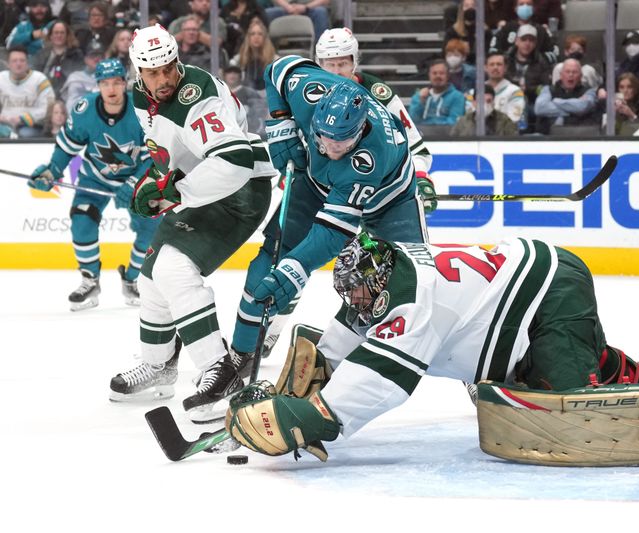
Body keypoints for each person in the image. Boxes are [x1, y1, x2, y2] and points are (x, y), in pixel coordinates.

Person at [223, 231, 639, 469]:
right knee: (562, 363)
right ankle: (604, 364)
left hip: (548, 291)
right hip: (533, 286)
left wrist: (306, 418)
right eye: (350, 293)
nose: (356, 302)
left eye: (361, 292)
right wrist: (314, 369)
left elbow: (372, 389)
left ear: (379, 279)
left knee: (570, 407)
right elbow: (339, 342)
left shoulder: (410, 303)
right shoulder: (384, 274)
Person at [107, 24, 275, 422]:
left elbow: (234, 162)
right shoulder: (139, 95)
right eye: (153, 72)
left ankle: (221, 373)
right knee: (150, 278)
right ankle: (160, 366)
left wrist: (173, 194)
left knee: (173, 269)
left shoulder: (196, 98)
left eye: (169, 67)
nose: (164, 78)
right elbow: (171, 150)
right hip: (201, 187)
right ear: (138, 72)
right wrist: (156, 181)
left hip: (240, 193)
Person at [229, 55, 429, 371]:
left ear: (361, 129)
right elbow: (276, 70)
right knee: (268, 261)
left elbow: (333, 231)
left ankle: (472, 373)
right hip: (316, 183)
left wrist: (296, 268)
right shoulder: (311, 90)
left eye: (342, 142)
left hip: (390, 201)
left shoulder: (368, 158)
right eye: (323, 137)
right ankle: (239, 357)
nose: (331, 148)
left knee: (414, 283)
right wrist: (281, 120)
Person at [27, 58, 156, 309]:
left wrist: (132, 184)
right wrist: (52, 171)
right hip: (95, 179)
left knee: (151, 228)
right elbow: (67, 147)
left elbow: (154, 157)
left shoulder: (142, 110)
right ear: (98, 85)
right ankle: (90, 280)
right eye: (105, 83)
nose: (111, 89)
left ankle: (132, 279)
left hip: (137, 180)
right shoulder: (84, 110)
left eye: (117, 82)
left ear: (124, 83)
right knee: (81, 221)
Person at [315, 27, 434, 208]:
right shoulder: (310, 93)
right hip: (327, 189)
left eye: (342, 64)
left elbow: (417, 148)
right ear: (319, 64)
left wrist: (421, 176)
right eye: (329, 64)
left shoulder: (378, 92)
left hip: (376, 189)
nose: (336, 72)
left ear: (354, 62)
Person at [0, 46, 55, 138]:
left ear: (27, 63)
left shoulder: (40, 79)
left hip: (31, 126)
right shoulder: (1, 78)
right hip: (4, 125)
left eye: (22, 60)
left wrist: (23, 119)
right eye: (14, 61)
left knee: (25, 134)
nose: (18, 64)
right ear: (8, 64)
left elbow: (48, 107)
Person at [534, 57, 598, 134]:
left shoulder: (589, 91)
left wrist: (556, 101)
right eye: (567, 72)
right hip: (547, 137)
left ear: (580, 76)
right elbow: (539, 108)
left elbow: (582, 107)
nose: (571, 75)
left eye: (574, 72)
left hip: (577, 136)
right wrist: (572, 110)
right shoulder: (548, 89)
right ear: (561, 75)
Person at [490, 0, 558, 63]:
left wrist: (538, 58)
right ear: (515, 8)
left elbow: (553, 53)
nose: (525, 7)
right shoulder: (507, 28)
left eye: (528, 4)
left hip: (536, 69)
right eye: (521, 4)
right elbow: (493, 50)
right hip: (509, 69)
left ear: (533, 8)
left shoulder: (541, 30)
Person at [31, 20, 85, 96]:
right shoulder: (41, 54)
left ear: (67, 36)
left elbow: (78, 78)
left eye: (62, 33)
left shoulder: (76, 54)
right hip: (43, 93)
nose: (59, 35)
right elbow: (34, 76)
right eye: (56, 33)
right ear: (51, 36)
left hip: (66, 94)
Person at [409, 59, 467, 127]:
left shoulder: (457, 97)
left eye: (441, 73)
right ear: (429, 75)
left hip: (447, 136)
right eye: (434, 73)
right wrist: (421, 102)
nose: (438, 76)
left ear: (448, 76)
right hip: (422, 136)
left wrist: (429, 127)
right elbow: (412, 121)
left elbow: (454, 122)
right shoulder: (419, 96)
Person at [229, 17, 277, 91]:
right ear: (248, 38)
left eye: (260, 34)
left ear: (264, 38)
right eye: (253, 34)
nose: (256, 37)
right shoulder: (239, 59)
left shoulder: (274, 59)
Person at [451, 84, 518, 136]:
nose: (485, 105)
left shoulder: (504, 121)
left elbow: (515, 143)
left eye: (488, 101)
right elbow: (451, 143)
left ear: (493, 103)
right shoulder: (463, 122)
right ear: (474, 103)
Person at [485, 51, 526, 128]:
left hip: (505, 136)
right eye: (492, 64)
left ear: (505, 68)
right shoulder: (474, 92)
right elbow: (469, 118)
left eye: (499, 64)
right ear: (485, 68)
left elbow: (514, 119)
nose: (495, 67)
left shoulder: (515, 91)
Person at [60, 39, 105, 108]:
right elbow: (70, 103)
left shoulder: (110, 78)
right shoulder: (75, 78)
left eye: (100, 56)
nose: (96, 59)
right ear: (85, 58)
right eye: (92, 55)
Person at [222, 65, 267, 135]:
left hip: (248, 132)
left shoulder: (250, 93)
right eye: (229, 72)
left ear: (241, 76)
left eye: (235, 72)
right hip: (225, 132)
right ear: (224, 76)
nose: (232, 75)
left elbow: (261, 113)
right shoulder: (220, 92)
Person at [265, 0, 330, 43]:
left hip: (310, 8)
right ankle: (268, 52)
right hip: (286, 8)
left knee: (321, 12)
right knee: (267, 13)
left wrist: (306, 7)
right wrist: (287, 6)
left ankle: (319, 49)